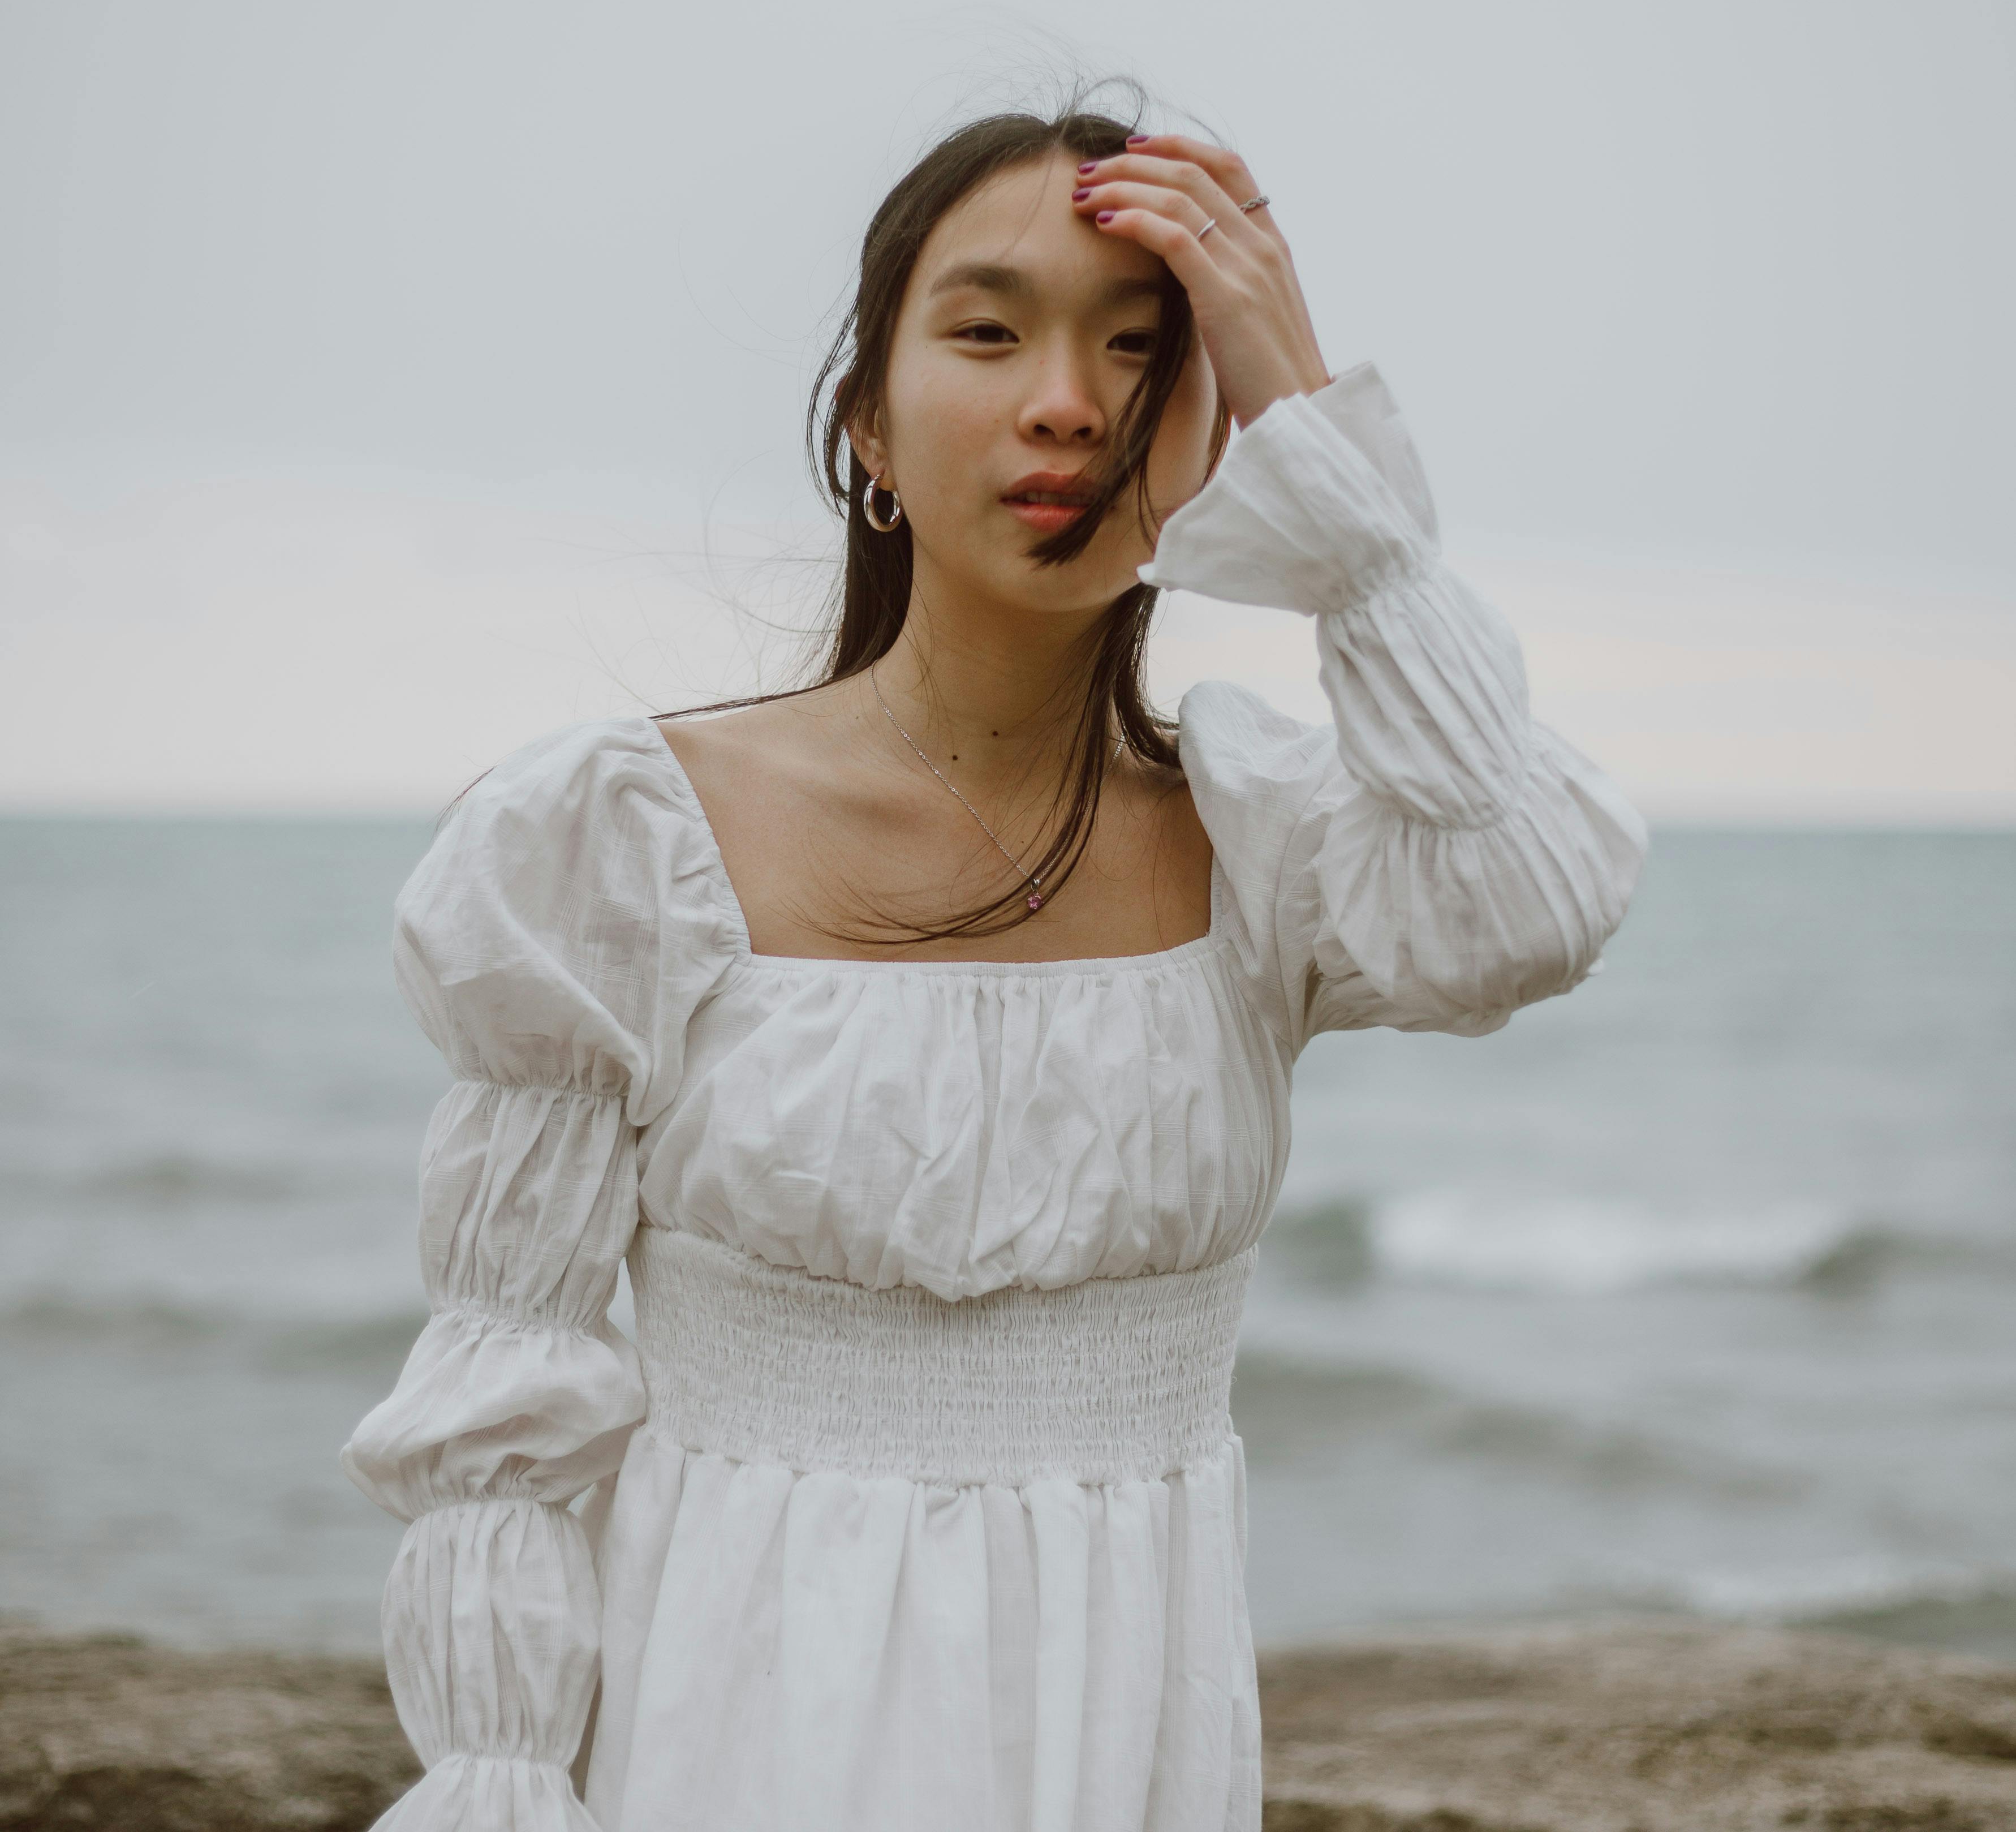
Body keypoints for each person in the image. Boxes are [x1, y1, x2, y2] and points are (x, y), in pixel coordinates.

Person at [342, 105, 1647, 1831]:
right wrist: (502, 1783)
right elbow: (502, 1409)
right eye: (986, 331)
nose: (1069, 404)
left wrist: (1320, 448)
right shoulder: (622, 839)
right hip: (735, 1721)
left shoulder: (1263, 837)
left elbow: (1525, 902)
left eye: (1144, 348)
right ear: (869, 427)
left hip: (1125, 1736)